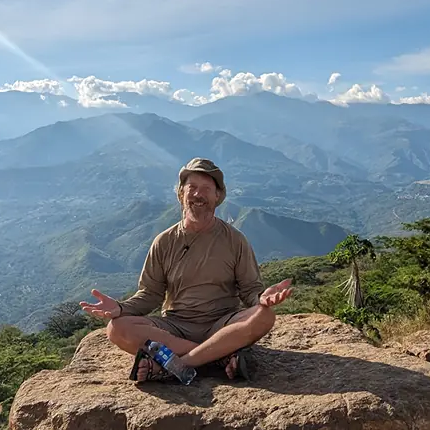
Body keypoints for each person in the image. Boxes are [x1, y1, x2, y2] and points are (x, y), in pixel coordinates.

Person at [80, 157, 293, 382]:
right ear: (181, 193)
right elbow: (150, 295)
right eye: (192, 188)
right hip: (175, 327)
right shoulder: (164, 242)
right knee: (117, 328)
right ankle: (218, 355)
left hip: (222, 324)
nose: (198, 195)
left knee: (264, 317)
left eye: (206, 189)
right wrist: (120, 308)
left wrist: (262, 299)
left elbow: (250, 291)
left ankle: (178, 364)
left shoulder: (235, 240)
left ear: (217, 196)